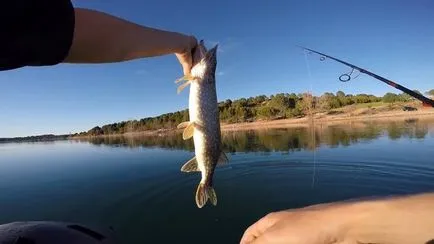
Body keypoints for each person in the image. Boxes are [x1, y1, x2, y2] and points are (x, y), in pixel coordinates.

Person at [2, 1, 434, 244]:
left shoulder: (198, 77)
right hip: (202, 131)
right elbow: (57, 26)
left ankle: (205, 177)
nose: (208, 58)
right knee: (204, 136)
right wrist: (186, 53)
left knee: (204, 138)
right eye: (207, 62)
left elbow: (53, 26)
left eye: (209, 63)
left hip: (203, 135)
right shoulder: (198, 77)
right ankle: (206, 176)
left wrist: (183, 48)